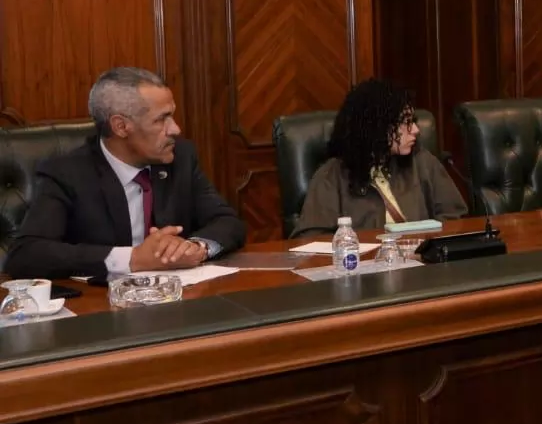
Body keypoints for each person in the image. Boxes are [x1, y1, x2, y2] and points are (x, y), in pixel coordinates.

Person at [5, 68, 246, 279]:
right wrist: (132, 259)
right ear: (121, 126)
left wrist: (197, 247)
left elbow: (227, 221)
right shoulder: (67, 173)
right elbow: (26, 254)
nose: (175, 129)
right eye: (161, 119)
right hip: (101, 305)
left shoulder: (180, 157)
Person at [293, 79, 467, 237]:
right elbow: (310, 240)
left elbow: (456, 219)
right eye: (405, 122)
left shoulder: (423, 162)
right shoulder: (332, 176)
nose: (415, 129)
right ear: (377, 126)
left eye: (413, 121)